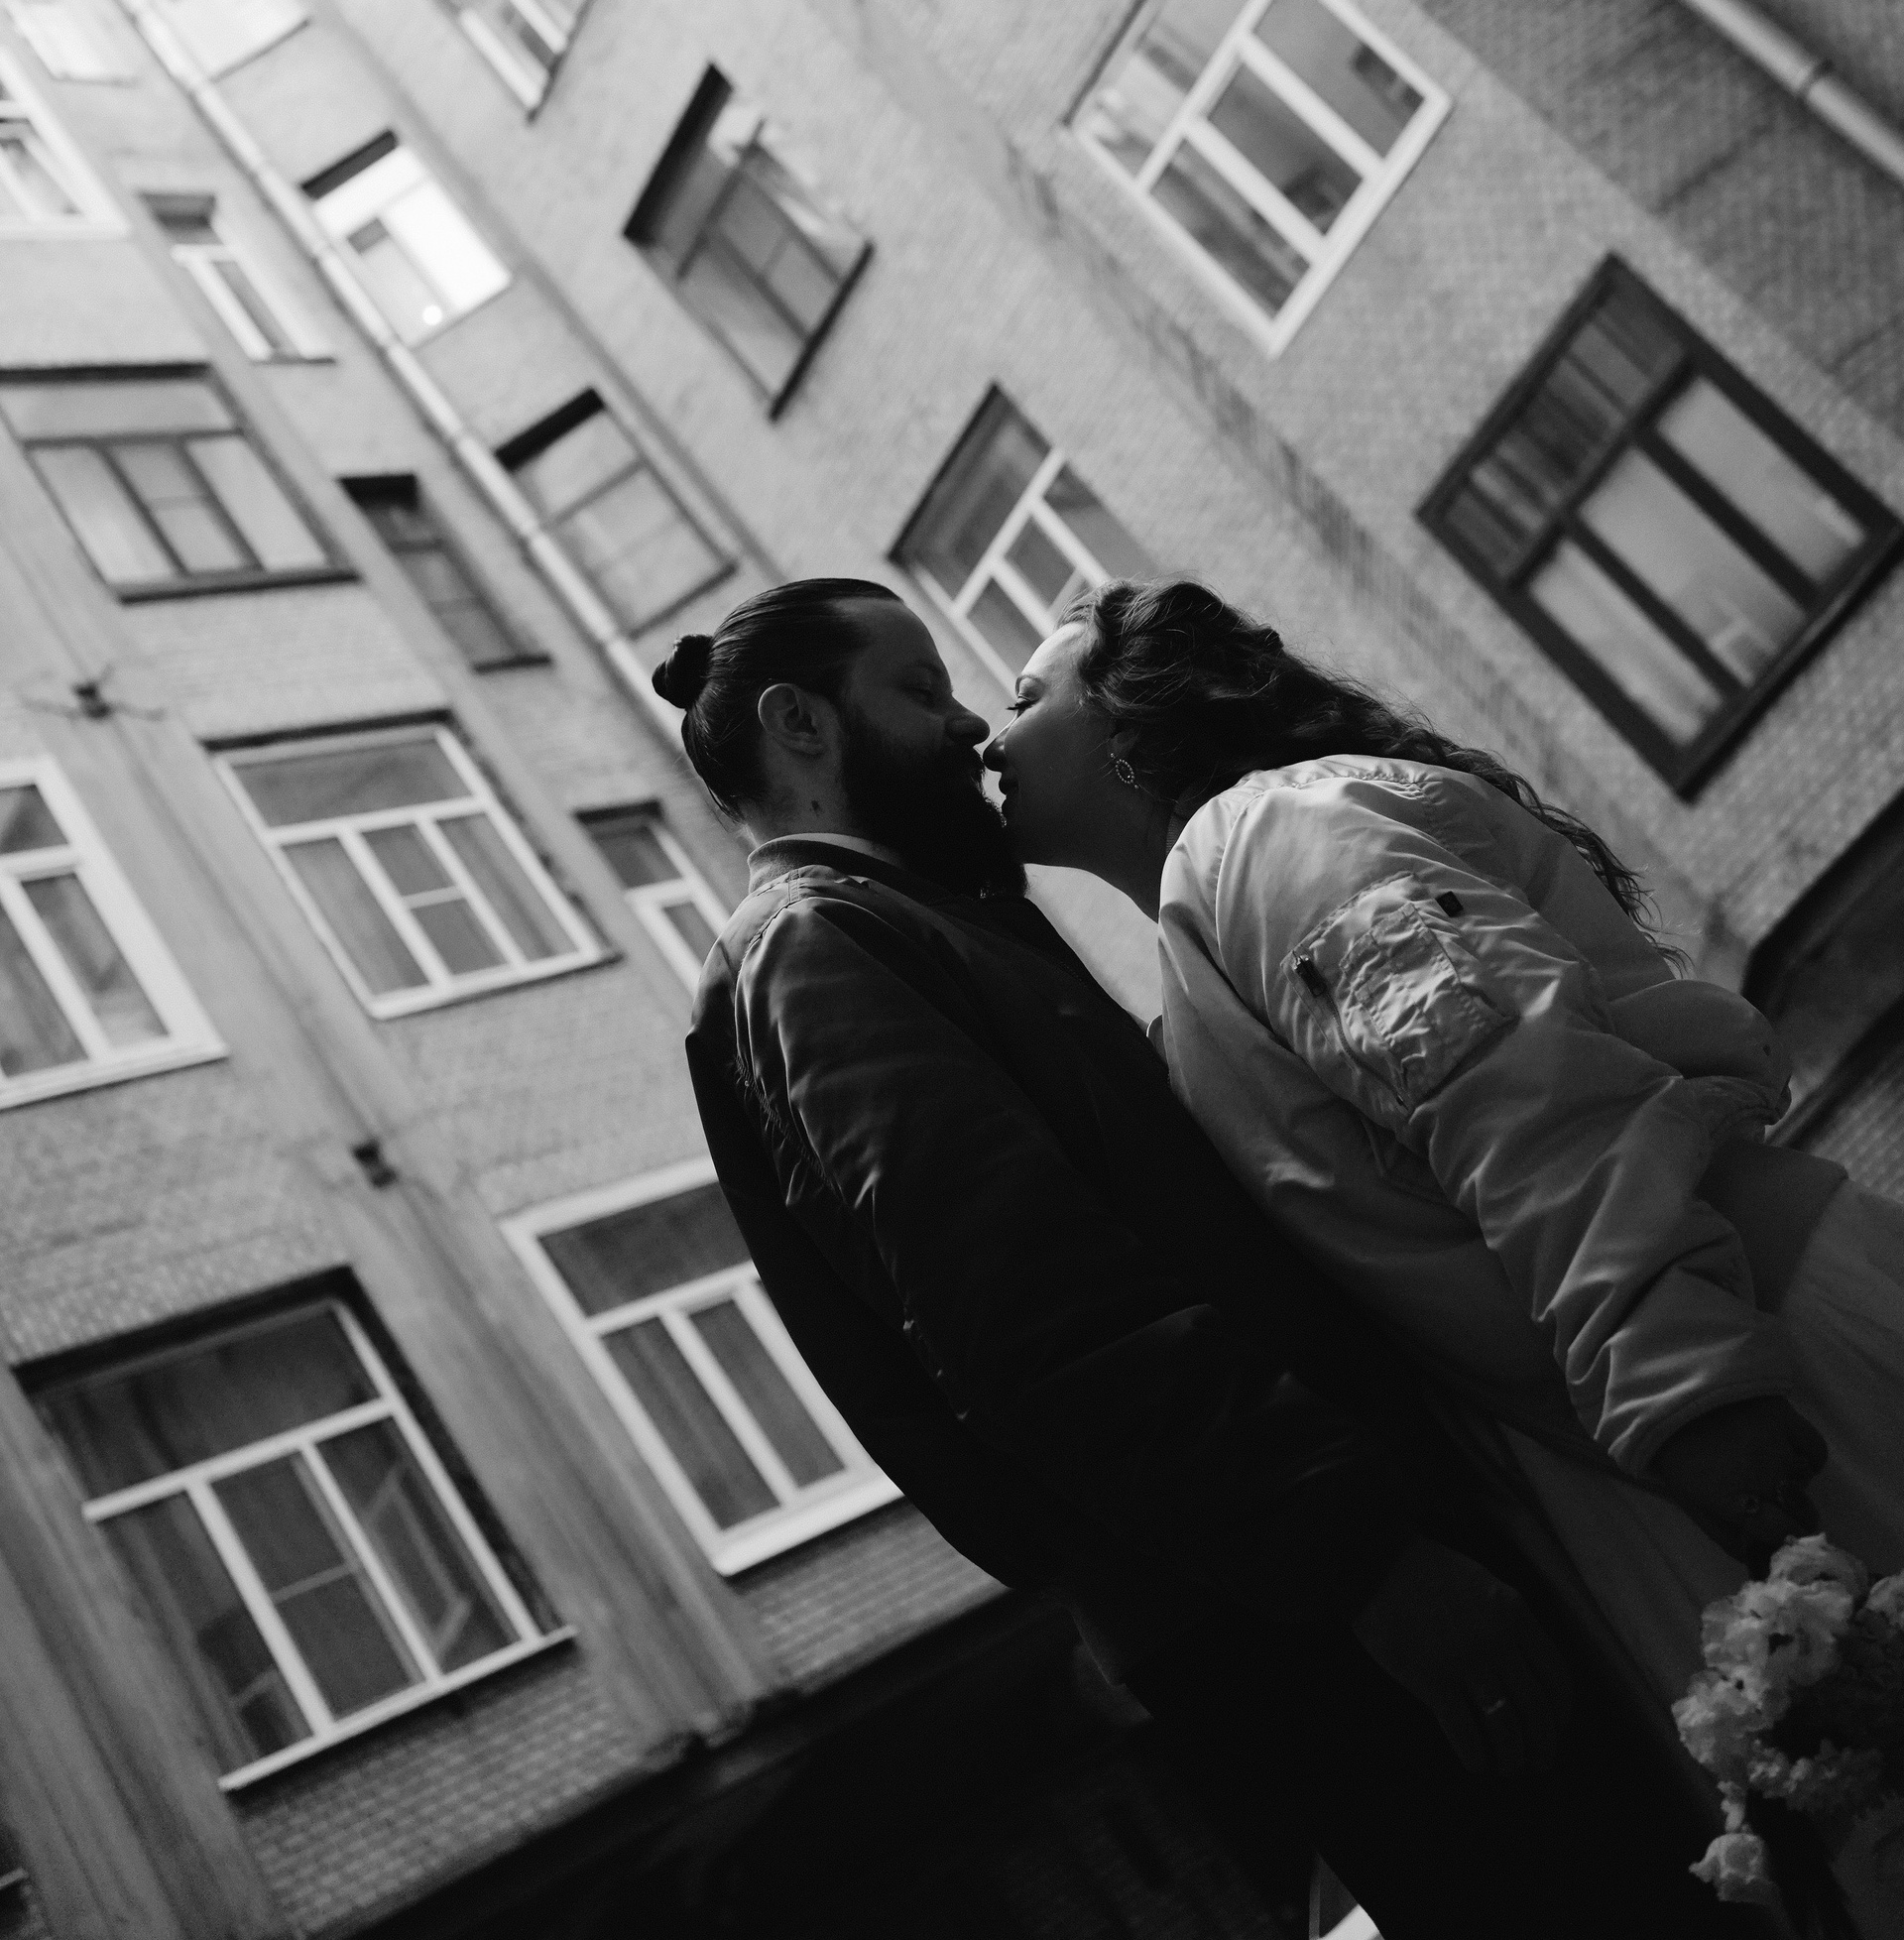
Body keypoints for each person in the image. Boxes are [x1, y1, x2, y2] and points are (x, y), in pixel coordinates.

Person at [663, 576, 1741, 1938]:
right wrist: (1360, 1556)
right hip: (1308, 1603)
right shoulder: (818, 945)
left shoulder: (892, 924)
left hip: (1302, 1571)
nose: (968, 730)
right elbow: (1034, 1306)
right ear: (799, 724)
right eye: (921, 693)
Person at [982, 574, 1904, 1724]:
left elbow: (1519, 1087)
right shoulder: (1219, 900)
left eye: (1025, 699)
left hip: (1741, 1365)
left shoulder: (1271, 834)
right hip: (1663, 1391)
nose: (989, 737)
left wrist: (1683, 1385)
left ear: (1129, 722)